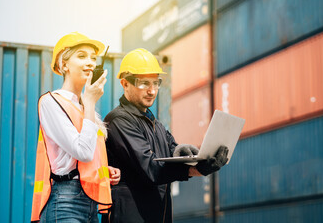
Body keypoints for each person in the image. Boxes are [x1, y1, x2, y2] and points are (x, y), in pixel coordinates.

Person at [103, 48, 229, 223]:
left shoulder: (157, 125)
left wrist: (197, 157)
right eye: (144, 83)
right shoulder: (119, 121)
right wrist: (198, 169)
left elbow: (173, 153)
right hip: (130, 216)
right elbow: (151, 169)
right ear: (125, 83)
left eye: (156, 83)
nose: (152, 90)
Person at [31, 32, 121, 223]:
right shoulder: (50, 101)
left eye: (93, 58)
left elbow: (83, 158)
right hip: (64, 202)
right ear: (64, 64)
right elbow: (83, 152)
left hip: (89, 202)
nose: (90, 62)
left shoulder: (83, 106)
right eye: (81, 56)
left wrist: (104, 169)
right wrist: (89, 101)